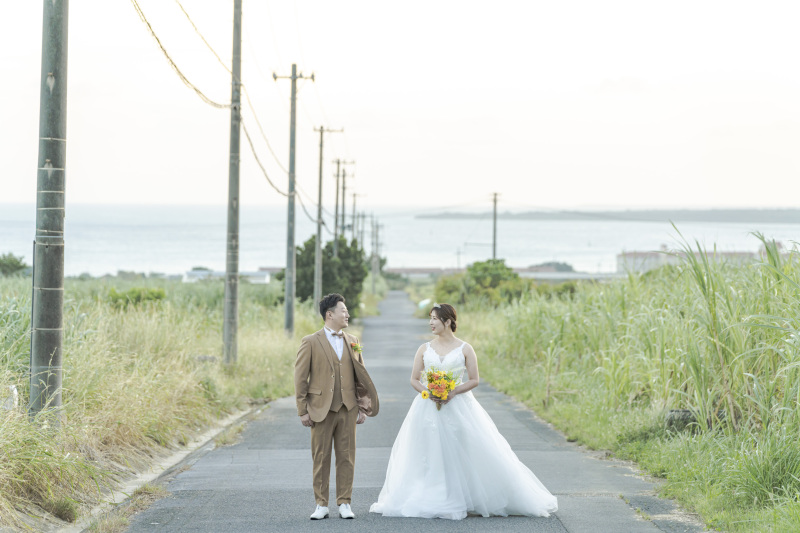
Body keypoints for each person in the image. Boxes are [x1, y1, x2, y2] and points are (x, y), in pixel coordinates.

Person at [369, 303, 558, 520]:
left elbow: (474, 379)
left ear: (447, 321)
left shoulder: (465, 348)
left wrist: (452, 392)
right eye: (429, 318)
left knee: (461, 448)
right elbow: (414, 379)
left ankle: (465, 495)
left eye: (434, 319)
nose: (430, 323)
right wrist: (427, 392)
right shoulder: (424, 348)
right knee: (428, 449)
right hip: (426, 405)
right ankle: (432, 492)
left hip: (458, 404)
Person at [294, 293, 380, 520]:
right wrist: (302, 409)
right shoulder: (310, 341)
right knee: (320, 457)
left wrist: (362, 406)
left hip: (348, 407)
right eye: (344, 310)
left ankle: (345, 503)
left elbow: (360, 376)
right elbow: (300, 378)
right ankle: (321, 504)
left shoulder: (354, 341)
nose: (348, 314)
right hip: (320, 408)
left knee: (347, 456)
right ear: (329, 314)